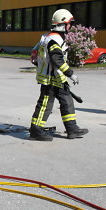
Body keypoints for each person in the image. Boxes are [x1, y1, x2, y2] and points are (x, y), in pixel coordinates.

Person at [30, 9, 88, 141]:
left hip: (57, 78)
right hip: (50, 79)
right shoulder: (54, 39)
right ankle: (35, 130)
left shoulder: (51, 37)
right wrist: (71, 74)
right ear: (63, 23)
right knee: (45, 105)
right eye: (69, 24)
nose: (70, 27)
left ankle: (72, 129)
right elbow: (57, 59)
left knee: (67, 101)